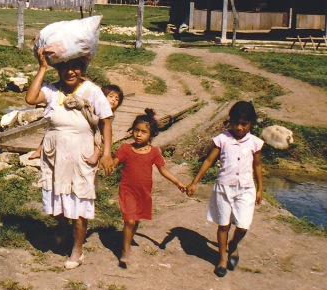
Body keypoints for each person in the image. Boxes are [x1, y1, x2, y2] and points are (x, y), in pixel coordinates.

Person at [25, 48, 113, 269]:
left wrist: (107, 152)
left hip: (80, 152)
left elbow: (106, 121)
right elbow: (30, 98)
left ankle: (77, 250)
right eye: (65, 67)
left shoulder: (91, 91)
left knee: (80, 201)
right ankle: (61, 227)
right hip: (55, 153)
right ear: (59, 69)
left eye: (75, 67)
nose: (70, 72)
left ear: (82, 68)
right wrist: (43, 67)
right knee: (57, 194)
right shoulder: (54, 90)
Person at [185, 101, 264, 277]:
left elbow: (257, 166)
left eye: (244, 124)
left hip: (246, 189)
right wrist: (194, 182)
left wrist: (260, 189)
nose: (239, 127)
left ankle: (233, 245)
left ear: (251, 123)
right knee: (223, 225)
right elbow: (208, 161)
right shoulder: (222, 140)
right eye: (236, 123)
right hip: (223, 188)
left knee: (243, 226)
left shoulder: (255, 143)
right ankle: (221, 258)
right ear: (230, 121)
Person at [112, 110, 185, 267]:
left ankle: (128, 238)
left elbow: (163, 170)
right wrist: (104, 166)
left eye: (143, 132)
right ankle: (125, 250)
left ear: (151, 134)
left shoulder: (154, 152)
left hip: (143, 192)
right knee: (130, 220)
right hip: (127, 190)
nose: (138, 134)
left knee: (136, 219)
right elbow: (114, 163)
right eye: (136, 130)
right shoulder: (125, 148)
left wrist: (177, 182)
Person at [27, 83, 122, 162]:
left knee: (98, 139)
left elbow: (105, 127)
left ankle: (96, 154)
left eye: (117, 99)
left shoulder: (109, 116)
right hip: (75, 126)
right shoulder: (95, 105)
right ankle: (40, 150)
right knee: (50, 131)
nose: (113, 100)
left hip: (93, 132)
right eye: (111, 97)